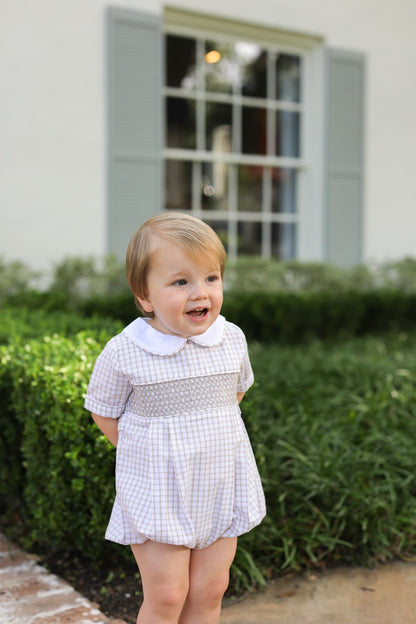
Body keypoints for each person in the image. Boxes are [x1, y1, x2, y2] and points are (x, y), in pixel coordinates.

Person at [84, 212, 266, 624]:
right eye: (181, 282)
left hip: (219, 484)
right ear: (144, 295)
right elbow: (104, 412)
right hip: (159, 491)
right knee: (168, 596)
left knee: (210, 589)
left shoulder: (230, 339)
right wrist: (147, 457)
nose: (200, 293)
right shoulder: (126, 350)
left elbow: (232, 397)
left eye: (211, 278)